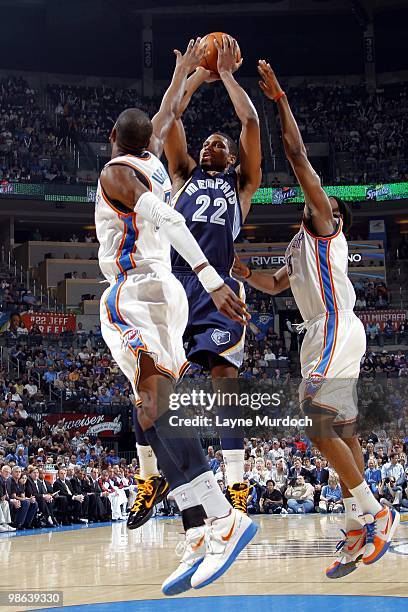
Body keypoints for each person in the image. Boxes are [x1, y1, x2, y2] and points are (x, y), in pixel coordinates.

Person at [95, 39, 256, 595]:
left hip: (138, 289)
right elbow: (167, 112)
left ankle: (221, 513)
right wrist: (185, 72)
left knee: (149, 405)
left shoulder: (118, 173)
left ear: (114, 140)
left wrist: (212, 275)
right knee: (149, 413)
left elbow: (162, 216)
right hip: (169, 297)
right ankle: (196, 526)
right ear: (149, 143)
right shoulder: (156, 161)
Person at [233, 60, 399, 578]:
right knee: (343, 432)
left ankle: (377, 512)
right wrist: (239, 270)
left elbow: (297, 155)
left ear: (335, 213)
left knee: (313, 415)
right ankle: (355, 525)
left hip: (336, 326)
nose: (317, 200)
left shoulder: (326, 225)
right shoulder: (295, 245)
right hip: (317, 334)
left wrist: (281, 101)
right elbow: (274, 286)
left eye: (324, 199)